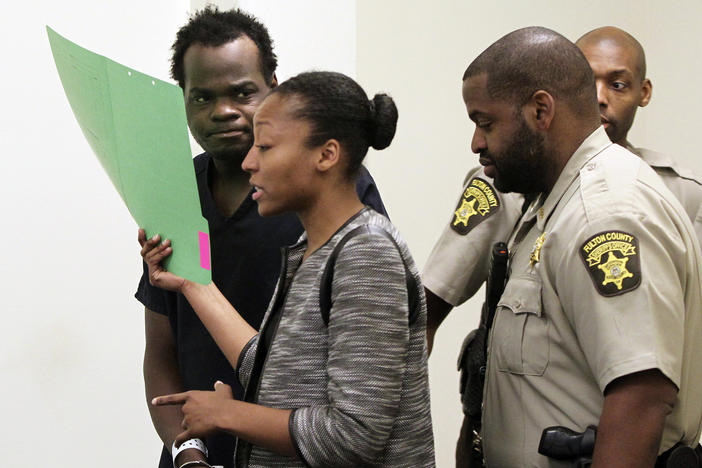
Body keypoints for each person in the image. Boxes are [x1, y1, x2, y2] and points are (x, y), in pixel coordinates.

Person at [141, 71, 435, 467]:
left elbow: (355, 436)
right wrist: (193, 284)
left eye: (265, 147)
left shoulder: (366, 253)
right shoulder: (310, 249)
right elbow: (270, 370)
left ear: (326, 155)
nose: (248, 162)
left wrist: (231, 415)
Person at [457, 27, 701, 466]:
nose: (477, 142)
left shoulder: (604, 213)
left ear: (540, 111)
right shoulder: (553, 203)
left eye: (486, 122)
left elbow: (641, 397)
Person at [576, 26, 702, 242]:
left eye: (617, 85)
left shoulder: (685, 194)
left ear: (643, 93)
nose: (599, 98)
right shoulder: (531, 183)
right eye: (585, 83)